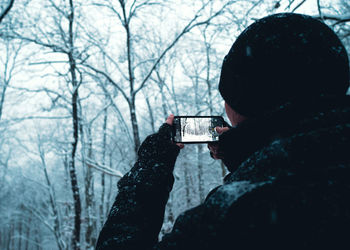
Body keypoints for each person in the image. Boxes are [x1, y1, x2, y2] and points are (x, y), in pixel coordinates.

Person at [96, 13, 350, 249]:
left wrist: (150, 167)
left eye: (228, 96)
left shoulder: (235, 216)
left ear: (248, 101)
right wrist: (251, 155)